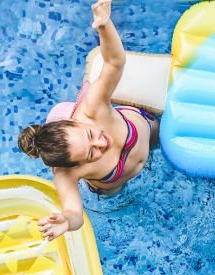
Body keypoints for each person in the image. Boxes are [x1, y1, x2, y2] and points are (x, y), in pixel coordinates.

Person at [17, 0, 158, 241]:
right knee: (115, 196)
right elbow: (74, 212)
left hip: (145, 130)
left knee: (158, 132)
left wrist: (104, 25)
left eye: (91, 135)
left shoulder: (93, 106)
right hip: (115, 182)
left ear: (77, 120)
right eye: (92, 155)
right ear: (74, 166)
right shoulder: (65, 174)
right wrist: (67, 221)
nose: (102, 144)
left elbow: (115, 62)